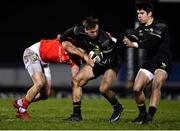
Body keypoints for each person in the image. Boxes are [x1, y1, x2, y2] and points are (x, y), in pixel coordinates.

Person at [12, 34, 94, 119]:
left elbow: (76, 78)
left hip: (44, 63)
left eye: (85, 52)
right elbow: (61, 37)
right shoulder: (70, 43)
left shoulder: (76, 60)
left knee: (45, 95)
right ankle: (22, 110)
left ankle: (20, 102)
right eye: (83, 51)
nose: (83, 53)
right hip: (33, 53)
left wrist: (83, 79)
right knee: (40, 82)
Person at [60, 16, 123, 122]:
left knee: (103, 89)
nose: (95, 34)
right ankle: (76, 115)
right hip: (96, 62)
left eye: (96, 31)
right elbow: (68, 32)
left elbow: (109, 62)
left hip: (111, 64)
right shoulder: (79, 31)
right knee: (76, 80)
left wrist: (92, 63)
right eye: (92, 32)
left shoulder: (105, 40)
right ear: (85, 30)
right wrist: (61, 38)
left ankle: (117, 107)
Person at [123, 2, 172, 124]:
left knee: (156, 84)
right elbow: (130, 39)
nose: (139, 16)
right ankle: (142, 115)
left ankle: (149, 117)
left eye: (142, 13)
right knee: (136, 88)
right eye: (138, 13)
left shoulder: (161, 26)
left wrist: (134, 44)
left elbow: (151, 42)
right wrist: (119, 40)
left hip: (163, 60)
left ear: (149, 14)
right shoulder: (140, 29)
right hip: (150, 61)